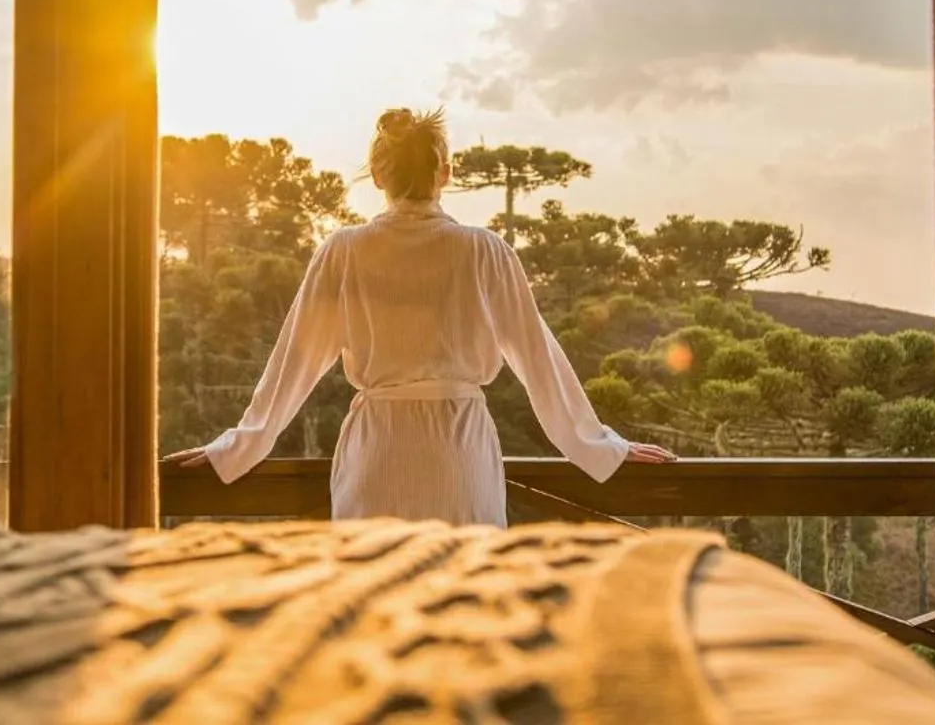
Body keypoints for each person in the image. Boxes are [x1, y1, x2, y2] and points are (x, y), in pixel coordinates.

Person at [166, 108, 674, 527]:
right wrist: (600, 447)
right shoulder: (484, 251)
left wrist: (238, 447)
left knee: (376, 601)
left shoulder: (344, 251)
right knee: (461, 600)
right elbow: (539, 361)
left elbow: (292, 365)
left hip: (378, 454)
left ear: (378, 175)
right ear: (445, 173)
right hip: (460, 454)